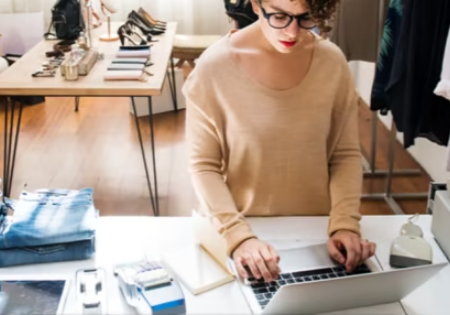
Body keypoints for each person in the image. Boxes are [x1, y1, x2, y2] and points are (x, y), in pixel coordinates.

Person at [182, 0, 377, 283]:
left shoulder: (332, 61)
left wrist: (345, 225)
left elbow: (344, 155)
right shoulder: (213, 67)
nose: (293, 32)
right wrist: (239, 238)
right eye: (280, 16)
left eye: (306, 17)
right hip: (242, 230)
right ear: (256, 4)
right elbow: (203, 166)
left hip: (319, 233)